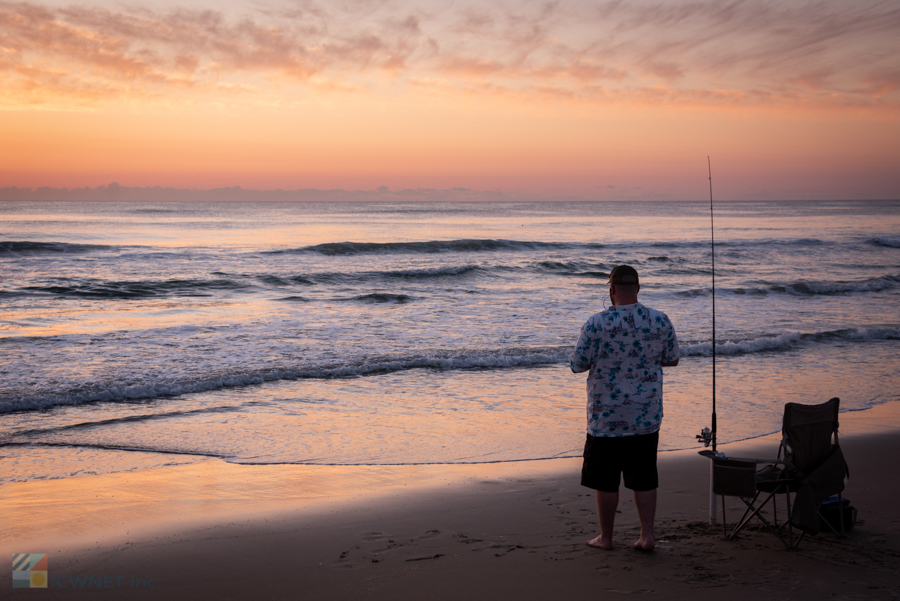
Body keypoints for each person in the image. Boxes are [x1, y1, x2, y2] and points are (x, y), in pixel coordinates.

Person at [570, 265, 680, 552]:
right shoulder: (660, 320)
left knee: (605, 481)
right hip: (645, 415)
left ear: (611, 290)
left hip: (606, 416)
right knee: (644, 476)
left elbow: (577, 365)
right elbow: (672, 359)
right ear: (639, 289)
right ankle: (647, 536)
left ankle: (606, 538)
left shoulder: (596, 323)